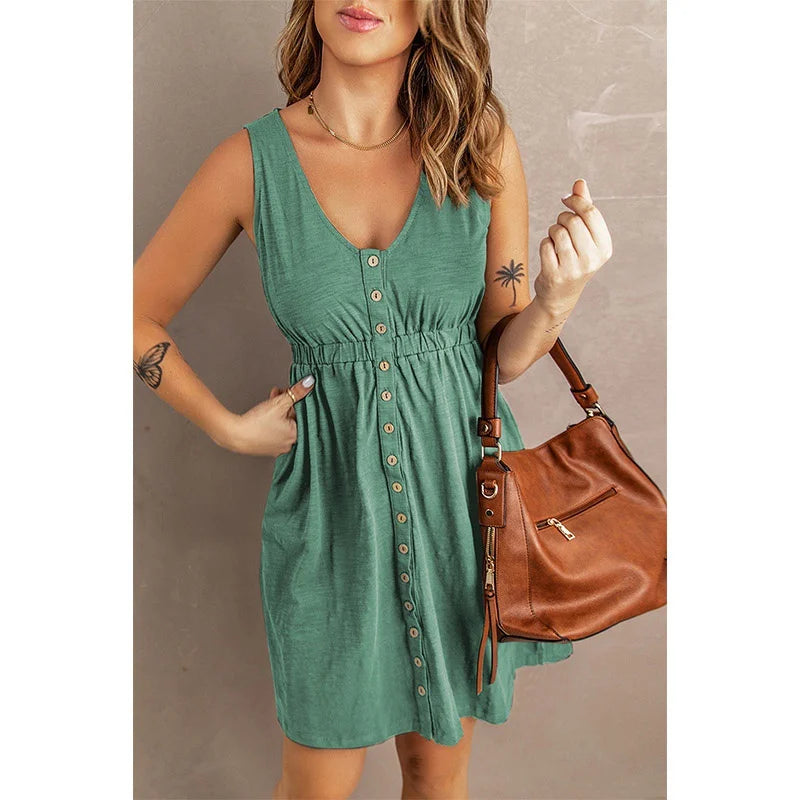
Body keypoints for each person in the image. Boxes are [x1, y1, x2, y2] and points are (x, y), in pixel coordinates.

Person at [133, 1, 612, 797]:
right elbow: (131, 311)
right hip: (331, 522)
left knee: (436, 777)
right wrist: (226, 428)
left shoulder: (477, 141)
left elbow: (501, 354)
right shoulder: (250, 162)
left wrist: (557, 300)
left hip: (462, 508)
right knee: (316, 786)